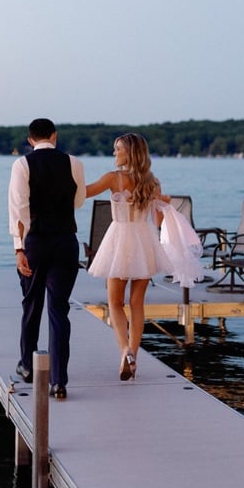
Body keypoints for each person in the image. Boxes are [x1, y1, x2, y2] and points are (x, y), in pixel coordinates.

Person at [7, 118, 86, 400]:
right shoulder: (74, 163)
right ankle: (58, 381)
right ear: (54, 136)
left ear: (30, 140)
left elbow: (19, 210)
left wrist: (19, 249)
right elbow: (78, 201)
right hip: (66, 241)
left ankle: (27, 365)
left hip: (36, 242)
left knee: (32, 305)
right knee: (59, 311)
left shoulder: (22, 165)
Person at [85, 132, 172, 381]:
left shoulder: (114, 178)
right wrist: (164, 202)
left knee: (114, 302)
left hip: (120, 239)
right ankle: (133, 355)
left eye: (118, 149)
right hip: (144, 241)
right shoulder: (152, 181)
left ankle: (124, 350)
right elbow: (158, 219)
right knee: (137, 304)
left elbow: (84, 193)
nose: (115, 153)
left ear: (129, 152)